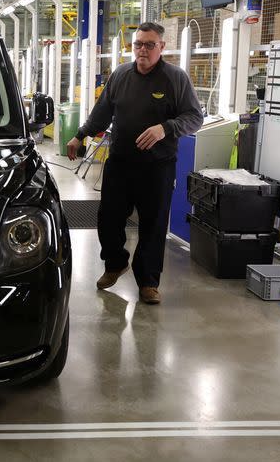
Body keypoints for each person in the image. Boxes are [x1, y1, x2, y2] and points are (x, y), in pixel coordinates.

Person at [66, 22, 203, 305]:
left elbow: (194, 117)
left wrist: (165, 128)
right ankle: (115, 263)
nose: (142, 50)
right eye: (138, 44)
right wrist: (79, 136)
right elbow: (102, 113)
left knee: (152, 226)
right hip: (120, 162)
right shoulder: (120, 75)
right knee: (108, 218)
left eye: (149, 44)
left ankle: (148, 282)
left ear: (162, 47)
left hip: (157, 166)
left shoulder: (175, 79)